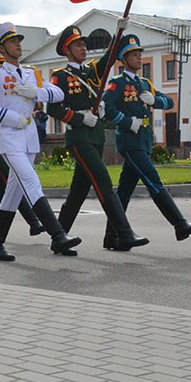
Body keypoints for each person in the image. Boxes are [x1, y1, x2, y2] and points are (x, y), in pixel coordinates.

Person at [0, 22, 81, 261]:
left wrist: (36, 93)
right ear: (2, 49)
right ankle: (58, 235)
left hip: (29, 138)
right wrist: (11, 118)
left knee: (12, 194)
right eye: (13, 42)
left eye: (19, 41)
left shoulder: (31, 73)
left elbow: (59, 93)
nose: (18, 45)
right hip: (10, 138)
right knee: (31, 181)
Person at [48, 25, 148, 251]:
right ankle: (124, 232)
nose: (83, 48)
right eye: (78, 45)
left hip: (96, 136)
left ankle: (58, 237)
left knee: (79, 191)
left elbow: (109, 57)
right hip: (79, 138)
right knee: (103, 181)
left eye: (84, 44)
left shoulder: (92, 71)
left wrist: (118, 33)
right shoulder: (60, 76)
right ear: (67, 50)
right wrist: (78, 118)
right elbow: (52, 109)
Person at [102, 33, 191, 243]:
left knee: (124, 191)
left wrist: (155, 100)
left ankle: (111, 235)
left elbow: (169, 102)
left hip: (144, 140)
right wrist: (128, 122)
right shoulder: (117, 83)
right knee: (153, 180)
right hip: (130, 141)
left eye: (140, 54)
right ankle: (179, 224)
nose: (139, 57)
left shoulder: (145, 83)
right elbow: (106, 109)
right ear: (124, 58)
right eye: (134, 54)